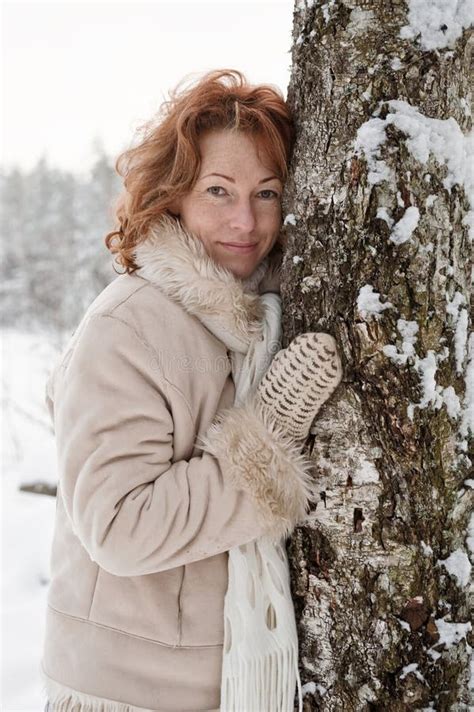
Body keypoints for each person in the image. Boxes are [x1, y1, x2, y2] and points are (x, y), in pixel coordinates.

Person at [40, 69, 343, 712]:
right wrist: (269, 437)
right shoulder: (129, 325)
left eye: (267, 192)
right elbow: (120, 525)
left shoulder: (263, 314)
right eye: (218, 190)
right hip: (127, 692)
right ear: (171, 196)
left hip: (233, 683)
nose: (246, 219)